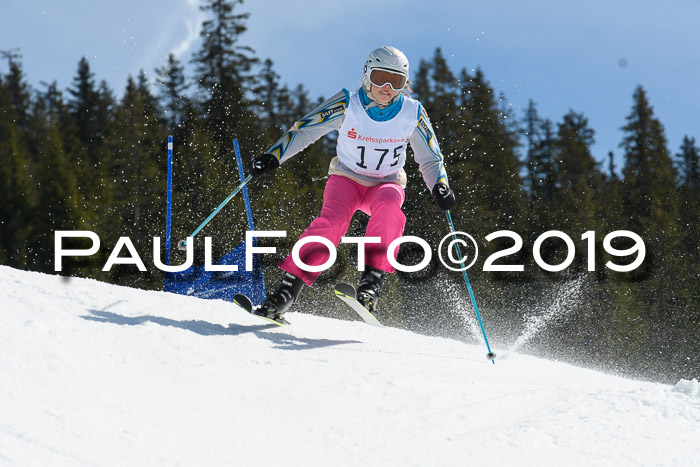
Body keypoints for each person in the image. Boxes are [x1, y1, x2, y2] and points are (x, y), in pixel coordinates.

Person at [249, 46, 455, 322]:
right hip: (346, 179)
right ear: (367, 74)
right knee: (332, 223)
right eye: (380, 76)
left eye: (396, 81)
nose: (387, 87)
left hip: (386, 183)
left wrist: (440, 186)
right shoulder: (348, 103)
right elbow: (306, 128)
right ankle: (287, 291)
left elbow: (431, 157)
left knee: (391, 206)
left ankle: (371, 282)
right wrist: (274, 156)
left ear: (405, 84)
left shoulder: (412, 112)